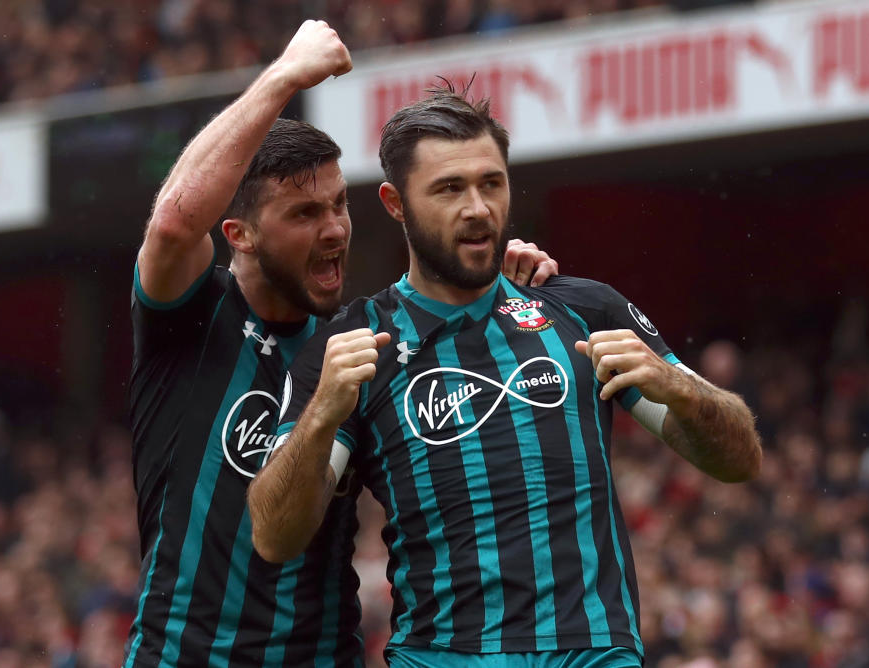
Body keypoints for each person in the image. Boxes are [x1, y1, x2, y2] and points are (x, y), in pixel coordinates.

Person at [249, 87, 763, 667]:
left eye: (490, 183)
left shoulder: (584, 311)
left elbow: (739, 460)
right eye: (449, 188)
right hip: (444, 655)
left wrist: (683, 390)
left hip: (592, 652)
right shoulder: (354, 343)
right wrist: (320, 413)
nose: (478, 208)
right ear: (396, 203)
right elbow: (275, 536)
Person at [125, 22, 558, 666]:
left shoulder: (365, 340)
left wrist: (493, 269)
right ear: (239, 234)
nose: (333, 231)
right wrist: (285, 76)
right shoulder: (191, 315)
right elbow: (174, 220)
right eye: (304, 214)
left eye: (339, 206)